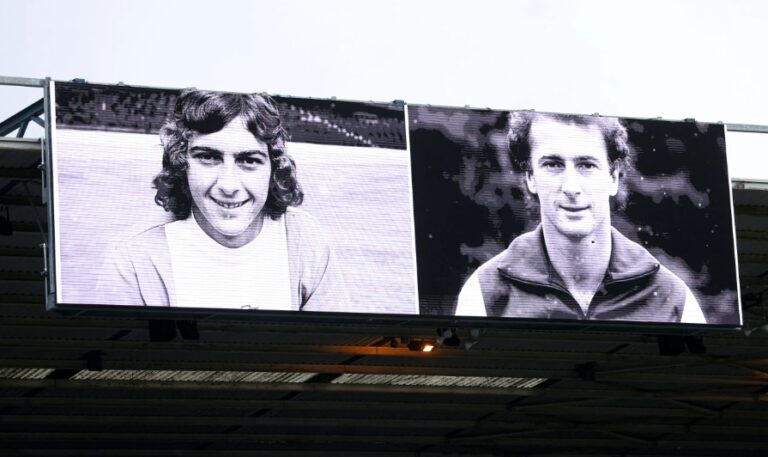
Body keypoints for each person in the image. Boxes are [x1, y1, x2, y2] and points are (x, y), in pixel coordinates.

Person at [96, 89, 345, 311]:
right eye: (208, 157)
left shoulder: (304, 238)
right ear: (181, 163)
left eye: (249, 160)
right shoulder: (134, 257)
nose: (228, 185)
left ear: (273, 168)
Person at [456, 112, 706, 323]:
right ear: (530, 178)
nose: (571, 187)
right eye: (553, 164)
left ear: (614, 178)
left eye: (586, 165)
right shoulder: (485, 292)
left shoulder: (673, 297)